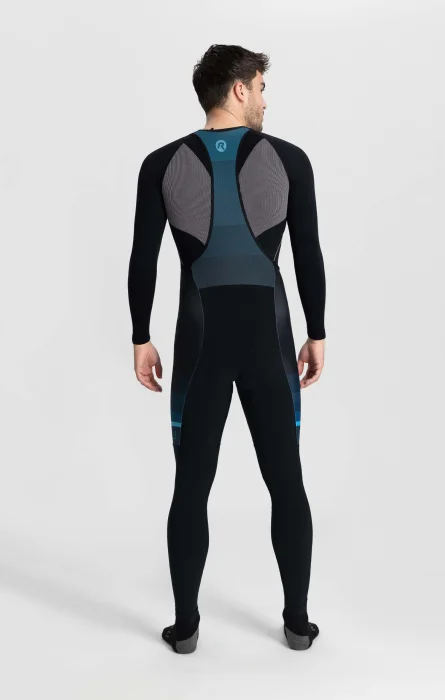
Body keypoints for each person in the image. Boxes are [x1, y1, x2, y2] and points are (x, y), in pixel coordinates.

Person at [127, 44, 326, 653]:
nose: (265, 99)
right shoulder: (289, 160)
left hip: (199, 345)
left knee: (191, 486)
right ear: (239, 89)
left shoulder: (161, 164)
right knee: (286, 482)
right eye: (261, 87)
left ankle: (185, 629)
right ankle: (297, 625)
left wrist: (141, 337)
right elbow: (308, 254)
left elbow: (144, 259)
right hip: (270, 344)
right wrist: (316, 332)